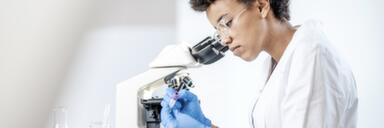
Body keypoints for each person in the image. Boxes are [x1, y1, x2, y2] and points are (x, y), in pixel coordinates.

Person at [160, 0, 358, 127]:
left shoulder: (311, 57)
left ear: (262, 6)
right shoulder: (277, 63)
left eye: (227, 23)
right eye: (218, 30)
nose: (225, 39)